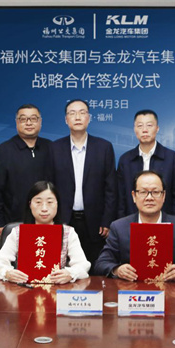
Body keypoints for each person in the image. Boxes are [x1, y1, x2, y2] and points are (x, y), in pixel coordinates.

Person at [94, 171, 175, 281]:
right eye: (143, 192)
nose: (149, 198)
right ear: (134, 196)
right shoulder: (119, 227)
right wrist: (117, 270)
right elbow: (101, 264)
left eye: (155, 192)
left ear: (163, 196)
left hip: (171, 291)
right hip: (132, 293)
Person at [48, 99, 117, 265]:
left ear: (89, 118)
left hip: (95, 223)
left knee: (94, 268)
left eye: (82, 112)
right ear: (66, 119)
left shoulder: (104, 147)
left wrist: (107, 220)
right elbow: (49, 186)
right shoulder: (55, 148)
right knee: (61, 268)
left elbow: (111, 188)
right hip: (64, 220)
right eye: (72, 113)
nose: (77, 117)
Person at [0, 181, 90, 284]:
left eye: (50, 202)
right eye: (38, 202)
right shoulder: (18, 232)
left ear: (57, 204)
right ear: (30, 204)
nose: (44, 208)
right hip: (23, 289)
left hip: (57, 289)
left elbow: (83, 265)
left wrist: (70, 274)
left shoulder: (68, 233)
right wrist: (7, 273)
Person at [0, 104, 51, 241]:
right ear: (17, 122)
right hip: (13, 224)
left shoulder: (51, 148)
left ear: (40, 122)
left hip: (47, 223)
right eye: (23, 119)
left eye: (33, 118)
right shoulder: (3, 151)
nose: (28, 123)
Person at [117, 109, 175, 218]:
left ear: (157, 128)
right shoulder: (125, 160)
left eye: (149, 125)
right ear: (134, 129)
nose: (145, 130)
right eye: (140, 126)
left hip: (164, 221)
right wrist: (122, 223)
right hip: (132, 221)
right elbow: (121, 197)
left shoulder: (172, 158)